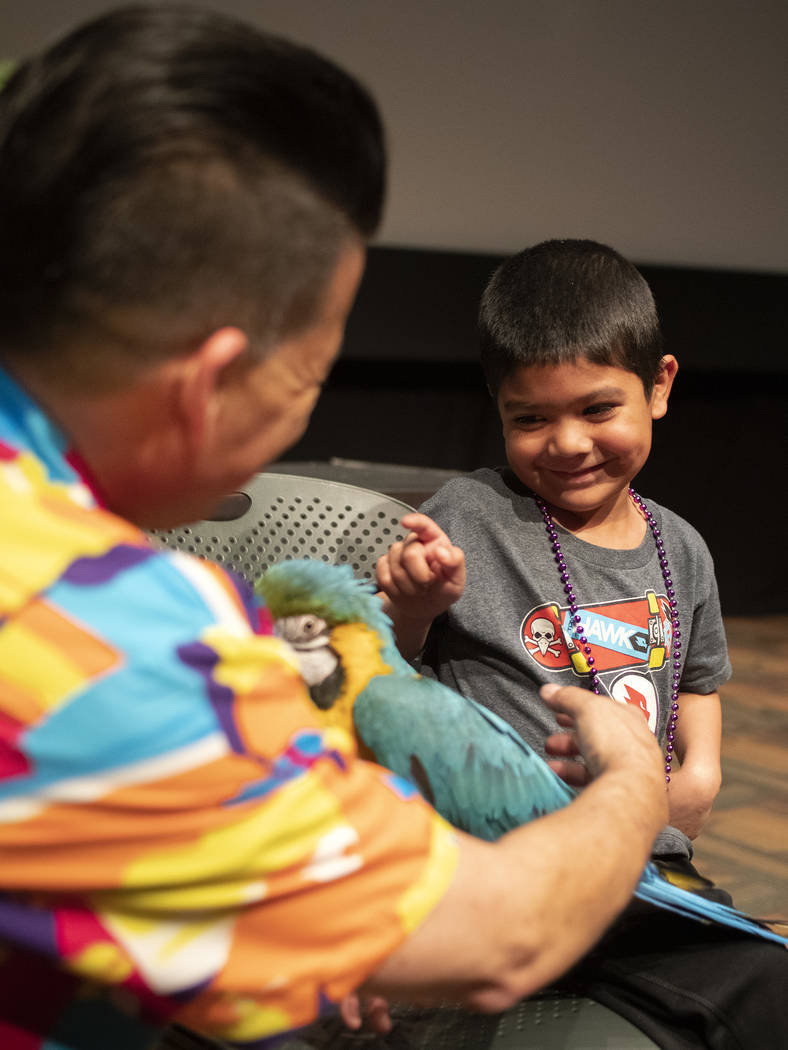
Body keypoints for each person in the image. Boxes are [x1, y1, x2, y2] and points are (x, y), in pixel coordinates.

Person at [0, 10, 673, 1050]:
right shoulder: (103, 644)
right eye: (314, 375)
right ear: (212, 382)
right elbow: (492, 935)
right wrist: (632, 781)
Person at [376, 239, 788, 1047]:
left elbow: (698, 676)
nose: (566, 443)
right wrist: (413, 606)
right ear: (496, 409)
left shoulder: (683, 547)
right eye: (530, 419)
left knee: (757, 984)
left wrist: (698, 775)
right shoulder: (469, 517)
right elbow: (388, 675)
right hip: (509, 868)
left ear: (659, 387)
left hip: (644, 871)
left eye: (597, 409)